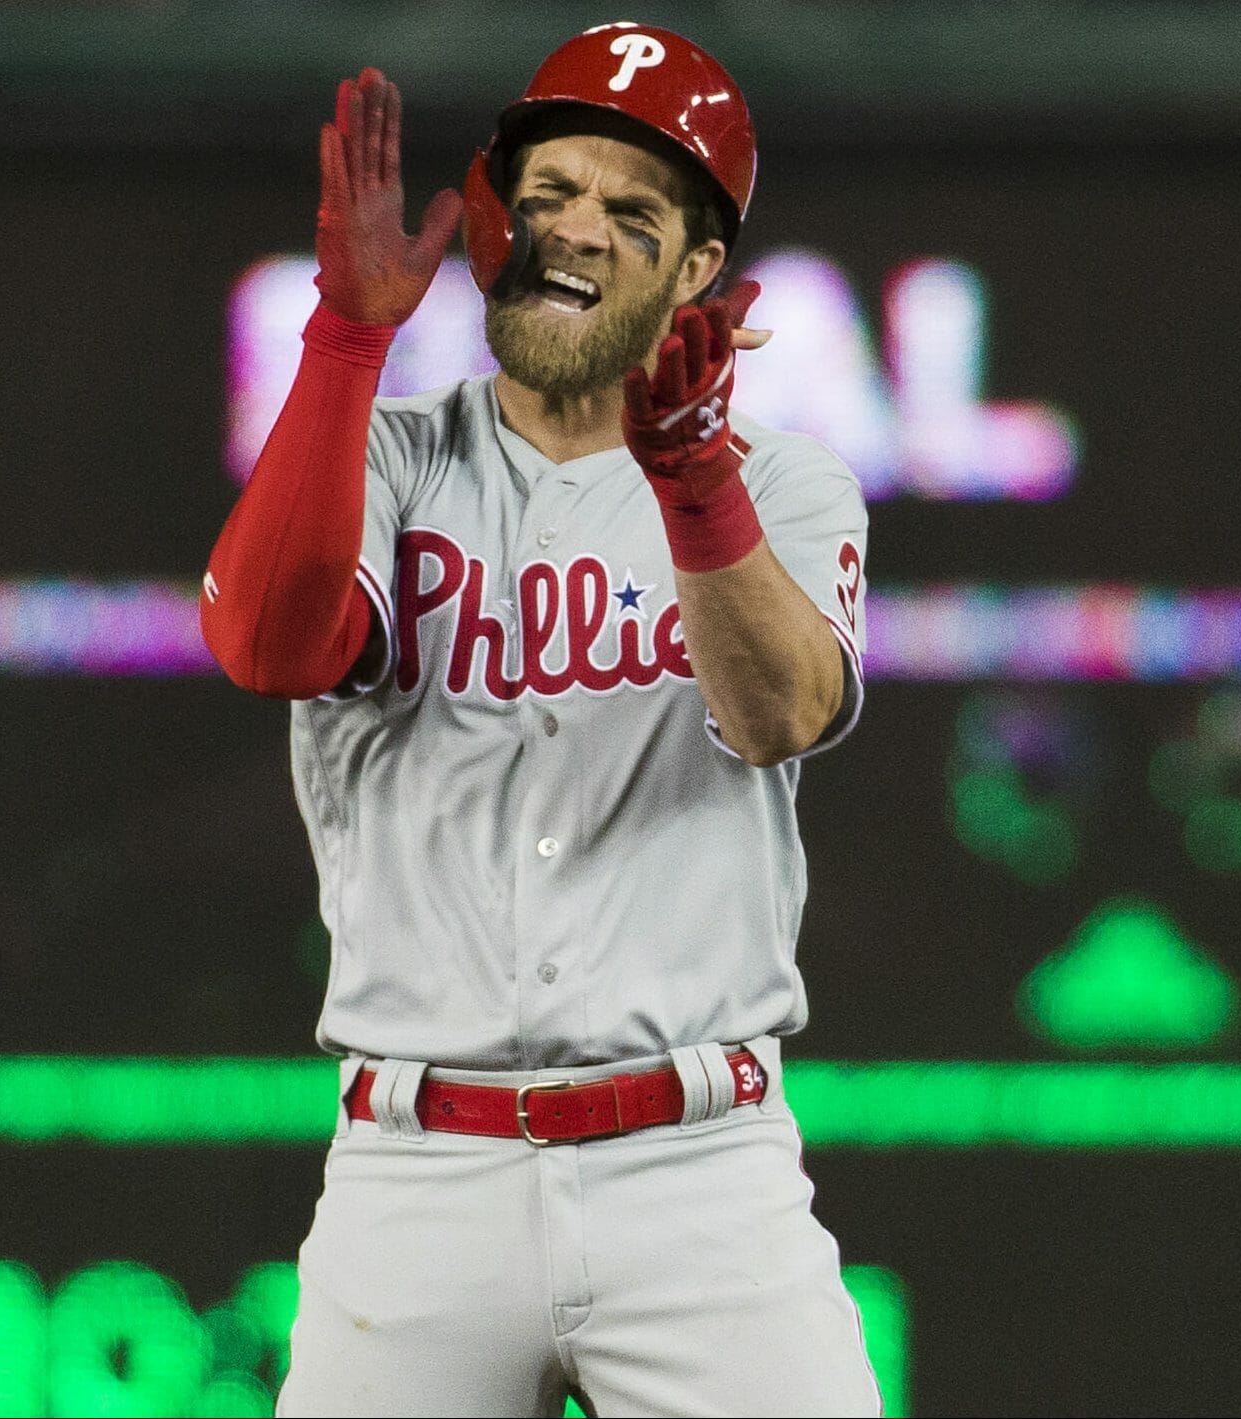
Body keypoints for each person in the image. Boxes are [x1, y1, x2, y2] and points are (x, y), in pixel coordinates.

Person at [197, 23, 878, 1416]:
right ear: (502, 217)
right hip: (420, 1172)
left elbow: (779, 715)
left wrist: (688, 476)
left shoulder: (785, 486)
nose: (577, 229)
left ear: (698, 272)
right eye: (552, 191)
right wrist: (345, 340)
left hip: (699, 1171)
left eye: (632, 213)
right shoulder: (382, 455)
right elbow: (270, 644)